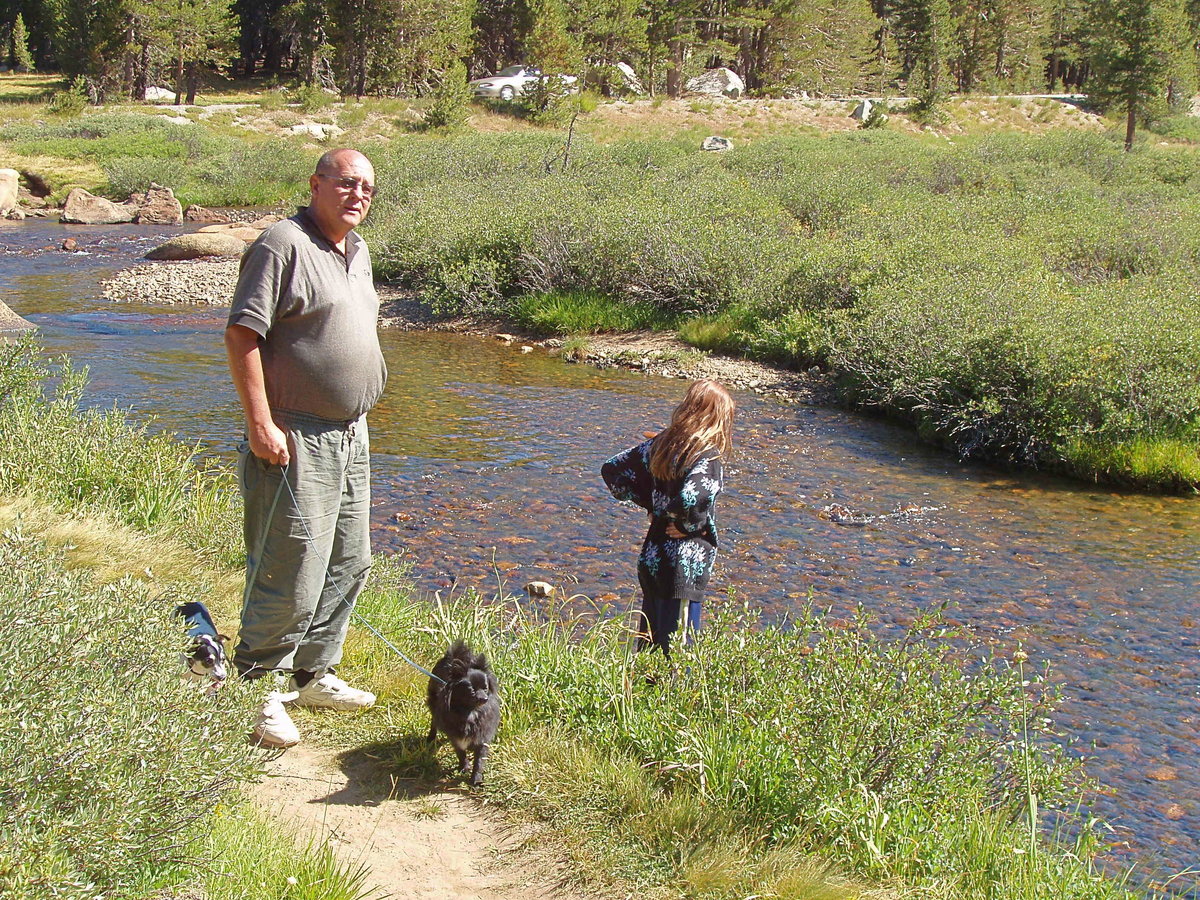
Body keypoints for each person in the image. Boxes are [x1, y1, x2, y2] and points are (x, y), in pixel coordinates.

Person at [225, 148, 386, 748]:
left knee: (350, 558)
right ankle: (257, 684)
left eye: (367, 186)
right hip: (294, 434)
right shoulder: (280, 244)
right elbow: (242, 335)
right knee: (290, 564)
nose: (358, 194)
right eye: (346, 183)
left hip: (351, 433)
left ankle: (314, 672)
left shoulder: (357, 250)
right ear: (316, 184)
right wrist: (260, 425)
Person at [600, 380, 735, 657]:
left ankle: (639, 697)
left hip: (652, 559)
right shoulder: (707, 456)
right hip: (683, 567)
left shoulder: (661, 444)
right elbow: (690, 498)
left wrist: (651, 505)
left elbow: (613, 470)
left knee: (649, 648)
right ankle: (672, 700)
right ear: (717, 417)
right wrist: (689, 525)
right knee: (677, 656)